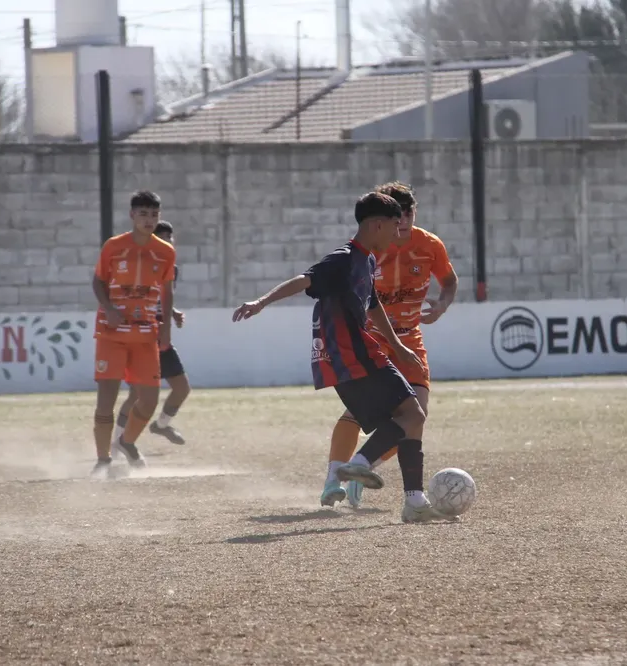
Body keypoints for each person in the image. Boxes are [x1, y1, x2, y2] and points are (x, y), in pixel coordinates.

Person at [232, 191, 453, 523]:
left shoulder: (366, 260)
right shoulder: (344, 258)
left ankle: (411, 499)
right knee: (413, 415)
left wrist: (400, 346)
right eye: (394, 227)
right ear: (377, 225)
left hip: (353, 359)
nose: (398, 235)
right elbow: (305, 279)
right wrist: (261, 302)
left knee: (410, 416)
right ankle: (359, 467)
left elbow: (373, 305)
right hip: (357, 356)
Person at [320, 182, 458, 508]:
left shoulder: (430, 245)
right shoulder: (371, 249)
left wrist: (442, 304)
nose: (406, 219)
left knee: (415, 416)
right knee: (357, 413)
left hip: (410, 340)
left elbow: (449, 280)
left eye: (410, 212)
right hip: (374, 341)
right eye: (399, 214)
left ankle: (361, 471)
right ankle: (334, 479)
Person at [90, 191, 177, 479]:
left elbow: (166, 290)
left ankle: (126, 442)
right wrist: (108, 308)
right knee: (107, 399)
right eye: (143, 214)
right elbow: (98, 280)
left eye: (154, 215)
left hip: (145, 335)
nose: (149, 220)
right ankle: (103, 460)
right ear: (132, 215)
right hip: (111, 333)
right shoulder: (114, 246)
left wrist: (165, 327)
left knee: (149, 399)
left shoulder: (165, 251)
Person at [112, 220, 191, 449]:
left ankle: (162, 425)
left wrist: (172, 313)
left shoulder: (172, 268)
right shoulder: (139, 264)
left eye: (170, 238)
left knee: (181, 388)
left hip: (160, 335)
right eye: (162, 238)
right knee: (137, 394)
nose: (167, 242)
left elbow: (161, 298)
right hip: (141, 336)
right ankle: (116, 444)